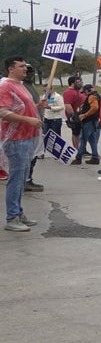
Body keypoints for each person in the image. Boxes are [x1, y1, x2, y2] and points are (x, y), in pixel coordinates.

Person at [0, 56, 47, 232]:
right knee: (16, 179)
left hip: (26, 138)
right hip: (15, 140)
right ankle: (12, 217)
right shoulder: (5, 86)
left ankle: (18, 213)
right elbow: (3, 112)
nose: (25, 69)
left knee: (22, 179)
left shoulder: (20, 86)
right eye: (21, 66)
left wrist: (38, 106)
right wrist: (28, 119)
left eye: (25, 66)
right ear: (11, 69)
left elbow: (23, 107)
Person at [22, 64, 45, 191]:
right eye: (27, 71)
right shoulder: (21, 87)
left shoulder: (31, 86)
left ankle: (28, 178)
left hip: (36, 124)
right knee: (27, 155)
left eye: (31, 72)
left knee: (34, 154)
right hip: (26, 126)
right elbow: (23, 108)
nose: (30, 74)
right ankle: (25, 180)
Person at [71, 84, 101, 165]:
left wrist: (85, 115)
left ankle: (78, 158)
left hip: (89, 121)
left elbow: (95, 107)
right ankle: (95, 157)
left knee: (83, 139)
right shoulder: (97, 95)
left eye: (85, 92)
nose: (84, 94)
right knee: (92, 139)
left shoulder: (92, 96)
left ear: (88, 90)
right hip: (94, 121)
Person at [63, 76, 84, 149]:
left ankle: (81, 149)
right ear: (72, 83)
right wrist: (73, 116)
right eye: (78, 82)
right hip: (75, 116)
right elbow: (67, 105)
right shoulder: (68, 92)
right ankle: (76, 149)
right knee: (76, 134)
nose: (80, 83)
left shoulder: (77, 91)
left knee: (79, 133)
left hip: (81, 114)